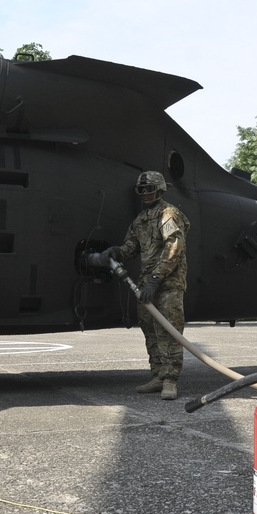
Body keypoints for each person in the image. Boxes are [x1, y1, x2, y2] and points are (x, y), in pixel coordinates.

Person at [87, 171, 190, 401]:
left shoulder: (168, 214)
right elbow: (131, 247)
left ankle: (171, 380)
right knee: (150, 329)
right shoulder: (141, 220)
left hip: (167, 284)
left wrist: (155, 279)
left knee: (169, 330)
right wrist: (117, 252)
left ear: (160, 190)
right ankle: (158, 376)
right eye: (141, 190)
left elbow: (173, 248)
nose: (145, 194)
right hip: (146, 285)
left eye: (149, 189)